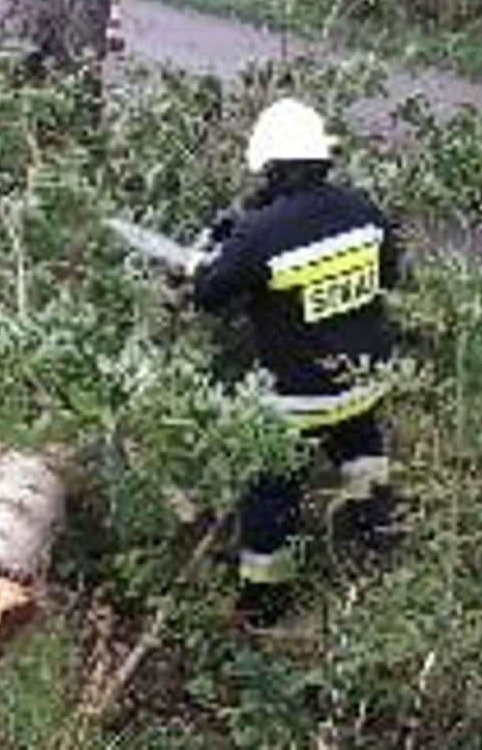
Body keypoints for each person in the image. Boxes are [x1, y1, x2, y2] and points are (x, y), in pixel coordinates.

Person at [185, 98, 405, 627]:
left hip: (299, 399)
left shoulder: (259, 232)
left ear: (273, 167)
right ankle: (379, 530)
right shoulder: (365, 210)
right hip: (364, 381)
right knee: (361, 447)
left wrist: (212, 245)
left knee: (272, 492)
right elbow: (388, 277)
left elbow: (207, 294)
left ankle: (265, 599)